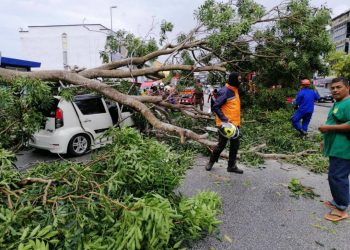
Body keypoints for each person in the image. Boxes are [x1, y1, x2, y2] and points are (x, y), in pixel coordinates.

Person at [319, 77, 350, 222]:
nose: (335, 90)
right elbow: (333, 120)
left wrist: (328, 128)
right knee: (335, 175)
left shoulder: (349, 103)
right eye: (333, 88)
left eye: (339, 87)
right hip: (335, 146)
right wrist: (324, 140)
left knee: (337, 176)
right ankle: (338, 201)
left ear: (347, 88)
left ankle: (342, 208)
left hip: (344, 148)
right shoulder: (338, 103)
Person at [205, 72, 243, 174]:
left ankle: (231, 166)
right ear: (234, 80)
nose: (240, 81)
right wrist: (224, 119)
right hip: (225, 125)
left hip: (235, 125)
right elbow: (216, 107)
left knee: (235, 146)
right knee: (221, 145)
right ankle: (211, 162)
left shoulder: (234, 90)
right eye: (239, 79)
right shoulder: (225, 91)